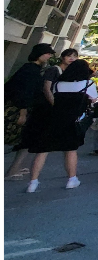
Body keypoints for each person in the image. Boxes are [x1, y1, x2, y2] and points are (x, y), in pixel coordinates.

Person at [23, 59, 98, 192]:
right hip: (72, 122)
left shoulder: (59, 84)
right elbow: (94, 99)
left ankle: (33, 182)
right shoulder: (88, 84)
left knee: (42, 151)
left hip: (53, 119)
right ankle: (71, 179)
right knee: (70, 150)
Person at [4, 43, 55, 180]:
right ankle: (13, 170)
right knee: (22, 139)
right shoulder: (31, 70)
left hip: (21, 108)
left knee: (24, 140)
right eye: (47, 53)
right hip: (17, 110)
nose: (49, 56)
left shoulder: (31, 68)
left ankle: (15, 168)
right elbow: (25, 92)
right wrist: (23, 113)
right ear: (40, 54)